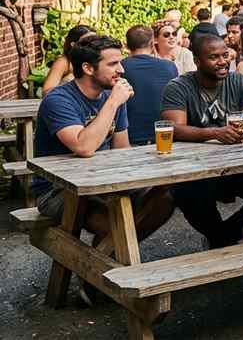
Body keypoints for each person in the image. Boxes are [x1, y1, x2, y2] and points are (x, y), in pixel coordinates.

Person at [31, 36, 175, 248]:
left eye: (120, 62)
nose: (122, 70)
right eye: (112, 64)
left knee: (166, 198)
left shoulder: (112, 95)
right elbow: (84, 147)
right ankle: (106, 261)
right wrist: (114, 102)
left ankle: (104, 256)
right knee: (114, 226)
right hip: (60, 191)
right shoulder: (58, 100)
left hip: (103, 180)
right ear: (88, 68)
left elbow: (121, 150)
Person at [162, 34, 243, 248]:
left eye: (225, 55)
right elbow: (174, 128)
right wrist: (214, 133)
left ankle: (223, 235)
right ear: (197, 61)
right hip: (195, 167)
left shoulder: (239, 81)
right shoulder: (179, 86)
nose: (222, 61)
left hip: (235, 163)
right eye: (214, 57)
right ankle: (219, 236)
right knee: (187, 194)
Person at [121, 25, 178, 145]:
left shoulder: (119, 68)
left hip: (128, 140)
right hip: (164, 137)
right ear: (153, 44)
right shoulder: (169, 67)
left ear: (126, 45)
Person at [42, 24, 95, 93]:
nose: (92, 44)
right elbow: (46, 91)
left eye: (94, 41)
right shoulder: (64, 62)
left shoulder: (97, 59)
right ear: (73, 44)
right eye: (87, 42)